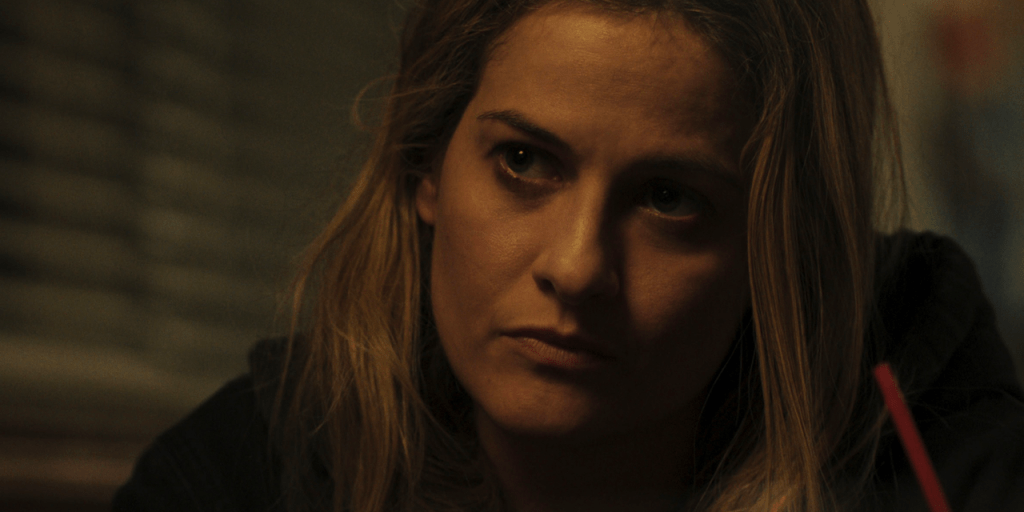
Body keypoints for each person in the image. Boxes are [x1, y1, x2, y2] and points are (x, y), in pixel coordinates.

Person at [113, 0, 1024, 511]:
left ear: (775, 251)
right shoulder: (248, 476)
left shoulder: (923, 427)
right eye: (523, 161)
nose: (578, 266)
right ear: (426, 166)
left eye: (669, 199)